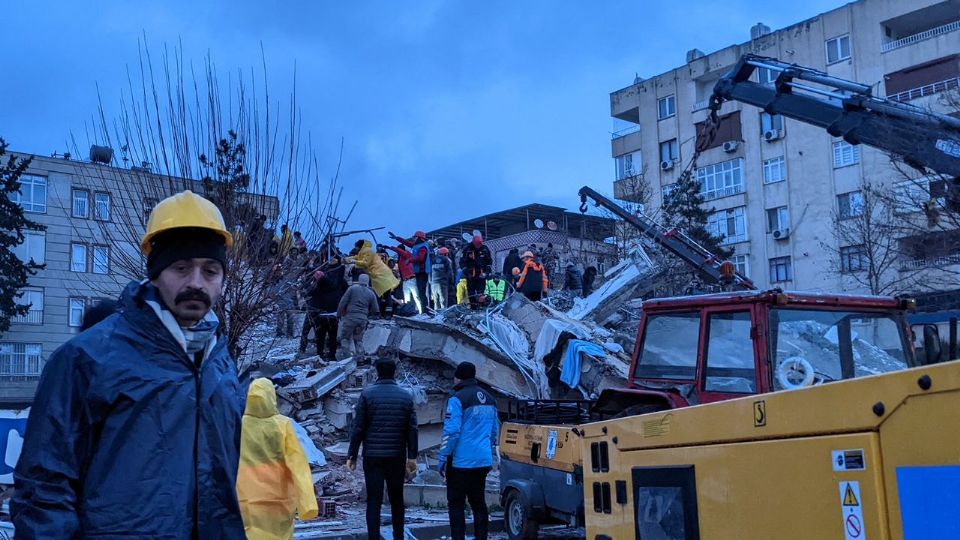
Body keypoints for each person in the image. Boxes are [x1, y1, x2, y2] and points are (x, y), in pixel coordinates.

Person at [13, 190, 245, 537]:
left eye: (210, 270)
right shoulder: (87, 358)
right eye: (181, 268)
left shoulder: (220, 361)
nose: (196, 283)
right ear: (155, 273)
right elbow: (43, 489)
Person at [238, 378, 319, 538]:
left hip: (247, 495)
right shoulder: (283, 425)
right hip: (279, 496)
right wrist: (307, 504)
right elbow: (298, 465)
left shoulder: (240, 425)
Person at [347, 358, 418, 540]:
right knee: (397, 499)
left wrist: (352, 454)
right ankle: (398, 537)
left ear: (377, 372)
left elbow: (359, 427)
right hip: (396, 455)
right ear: (394, 372)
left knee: (374, 500)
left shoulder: (367, 395)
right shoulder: (406, 397)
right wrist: (412, 456)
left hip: (373, 456)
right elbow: (412, 429)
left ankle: (373, 537)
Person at [438, 362, 500, 540]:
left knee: (456, 503)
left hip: (461, 462)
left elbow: (452, 431)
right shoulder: (490, 398)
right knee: (478, 503)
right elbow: (494, 431)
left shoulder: (457, 399)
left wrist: (443, 455)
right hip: (482, 461)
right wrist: (490, 455)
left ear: (459, 377)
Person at [304, 261, 347, 360]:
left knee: (320, 336)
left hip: (321, 316)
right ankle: (332, 355)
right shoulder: (335, 287)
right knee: (332, 336)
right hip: (333, 315)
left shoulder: (316, 289)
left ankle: (320, 354)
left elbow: (307, 293)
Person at [336, 273, 380, 360]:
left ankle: (346, 359)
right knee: (358, 340)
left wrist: (338, 314)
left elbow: (343, 302)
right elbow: (376, 309)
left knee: (344, 338)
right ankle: (360, 359)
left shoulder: (352, 289)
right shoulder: (371, 293)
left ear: (359, 280)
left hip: (350, 318)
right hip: (363, 319)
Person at [460, 233, 492, 309]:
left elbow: (489, 261)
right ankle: (473, 307)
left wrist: (486, 272)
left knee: (481, 292)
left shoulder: (485, 249)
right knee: (471, 292)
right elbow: (462, 262)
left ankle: (481, 307)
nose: (479, 246)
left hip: (481, 274)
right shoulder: (467, 249)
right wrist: (466, 272)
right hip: (470, 275)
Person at [384, 243, 419, 313]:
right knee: (406, 298)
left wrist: (390, 247)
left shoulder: (407, 255)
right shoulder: (400, 259)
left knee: (416, 297)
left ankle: (419, 311)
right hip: (405, 281)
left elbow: (401, 252)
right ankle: (407, 311)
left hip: (411, 279)